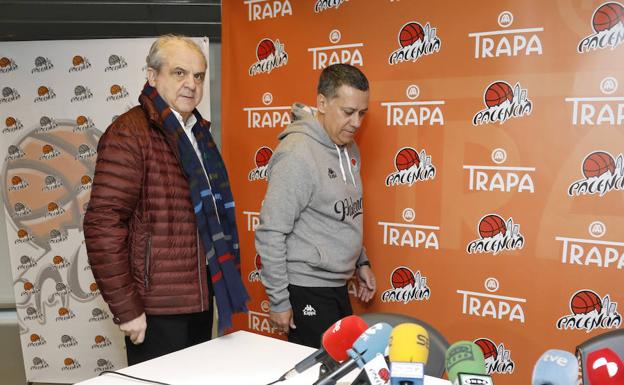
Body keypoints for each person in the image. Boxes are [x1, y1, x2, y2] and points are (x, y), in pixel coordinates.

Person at [84, 35, 248, 365]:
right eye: (179, 73)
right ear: (152, 76)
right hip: (154, 308)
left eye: (198, 76)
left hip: (199, 298)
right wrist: (127, 308)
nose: (191, 84)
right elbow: (102, 224)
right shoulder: (129, 133)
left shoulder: (197, 133)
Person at [255, 63, 376, 348]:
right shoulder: (297, 154)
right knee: (321, 375)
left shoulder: (348, 146)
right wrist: (279, 300)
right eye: (348, 112)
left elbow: (345, 211)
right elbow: (271, 232)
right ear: (322, 103)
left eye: (362, 113)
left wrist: (361, 262)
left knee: (343, 371)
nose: (357, 123)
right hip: (306, 288)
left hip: (336, 285)